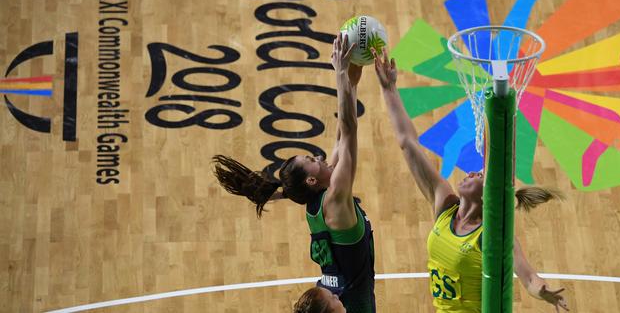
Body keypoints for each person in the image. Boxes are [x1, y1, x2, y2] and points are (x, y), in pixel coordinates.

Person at [371, 47, 569, 313]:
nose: (471, 172)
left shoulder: (492, 234)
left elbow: (528, 276)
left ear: (489, 193)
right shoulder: (444, 205)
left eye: (479, 174)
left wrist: (543, 291)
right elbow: (408, 144)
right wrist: (389, 88)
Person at [212, 33, 376, 313]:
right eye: (313, 159)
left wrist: (352, 80)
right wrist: (339, 74)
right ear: (312, 180)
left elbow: (340, 137)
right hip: (349, 303)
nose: (321, 156)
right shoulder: (335, 199)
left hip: (333, 292)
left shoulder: (319, 200)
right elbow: (349, 131)